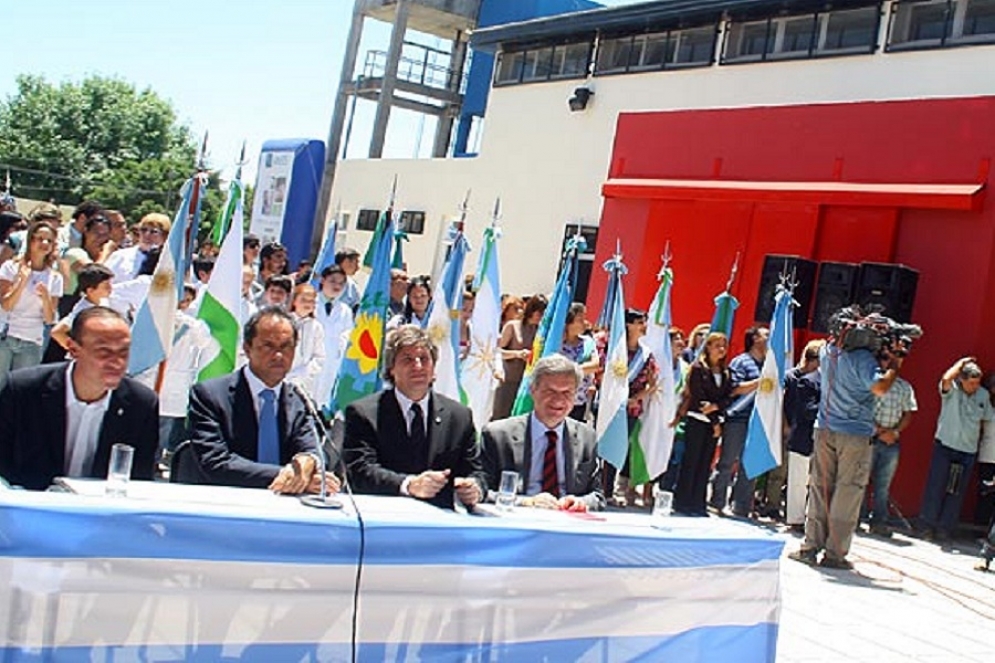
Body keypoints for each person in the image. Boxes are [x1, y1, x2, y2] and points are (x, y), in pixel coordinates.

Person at [0, 307, 158, 490]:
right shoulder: (23, 391)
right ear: (73, 349)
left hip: (99, 513)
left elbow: (140, 480)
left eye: (123, 352)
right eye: (104, 351)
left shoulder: (141, 405)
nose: (117, 362)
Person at [185, 307, 335, 494]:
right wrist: (289, 476)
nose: (279, 355)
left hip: (285, 509)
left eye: (286, 346)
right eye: (268, 346)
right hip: (226, 503)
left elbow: (313, 448)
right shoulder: (209, 395)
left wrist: (309, 461)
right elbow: (215, 462)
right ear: (247, 349)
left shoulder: (298, 399)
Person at [790, 335, 903, 570]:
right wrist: (895, 364)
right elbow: (880, 387)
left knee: (820, 487)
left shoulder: (828, 351)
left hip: (824, 428)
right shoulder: (862, 358)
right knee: (848, 491)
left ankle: (810, 546)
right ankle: (835, 554)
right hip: (855, 433)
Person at [343, 325, 486, 510]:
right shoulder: (364, 413)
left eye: (424, 359)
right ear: (391, 369)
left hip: (441, 521)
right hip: (384, 516)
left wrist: (475, 488)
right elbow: (360, 471)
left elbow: (476, 471)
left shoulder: (459, 416)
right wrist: (409, 485)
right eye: (407, 359)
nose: (417, 366)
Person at [481, 354, 604, 511]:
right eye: (550, 391)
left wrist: (581, 502)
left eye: (567, 393)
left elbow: (598, 496)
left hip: (567, 522)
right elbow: (481, 491)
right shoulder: (498, 435)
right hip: (517, 519)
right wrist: (526, 502)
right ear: (533, 391)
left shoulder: (587, 436)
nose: (558, 400)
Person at [917, 357, 993, 541]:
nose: (975, 386)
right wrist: (960, 364)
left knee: (955, 491)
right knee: (936, 487)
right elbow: (945, 380)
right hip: (945, 445)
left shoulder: (982, 395)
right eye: (971, 383)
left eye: (977, 382)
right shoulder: (952, 391)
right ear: (962, 380)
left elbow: (986, 419)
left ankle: (945, 528)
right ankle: (926, 526)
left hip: (967, 450)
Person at [671, 332, 742, 516]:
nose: (721, 349)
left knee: (705, 463)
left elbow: (728, 396)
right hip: (698, 420)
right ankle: (682, 501)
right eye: (717, 345)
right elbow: (699, 397)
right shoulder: (698, 368)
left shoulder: (726, 372)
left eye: (723, 346)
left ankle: (698, 503)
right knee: (691, 460)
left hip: (714, 422)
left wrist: (717, 411)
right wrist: (715, 422)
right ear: (708, 347)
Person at [710, 326, 766, 517]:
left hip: (758, 421)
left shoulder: (769, 365)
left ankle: (741, 506)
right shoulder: (741, 362)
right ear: (755, 338)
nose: (769, 338)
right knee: (727, 462)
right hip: (738, 419)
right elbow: (734, 389)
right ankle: (717, 501)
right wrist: (761, 382)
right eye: (765, 334)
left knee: (749, 464)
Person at [0, 220, 63, 389]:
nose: (44, 243)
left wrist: (46, 298)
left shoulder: (55, 278)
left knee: (21, 391)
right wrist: (21, 282)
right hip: (6, 337)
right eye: (40, 238)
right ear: (30, 240)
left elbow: (50, 319)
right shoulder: (11, 267)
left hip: (31, 341)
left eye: (49, 241)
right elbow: (5, 305)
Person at [864, 348, 918, 538]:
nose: (887, 363)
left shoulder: (905, 387)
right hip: (870, 437)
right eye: (885, 358)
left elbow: (908, 414)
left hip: (891, 441)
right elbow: (863, 407)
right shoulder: (872, 383)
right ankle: (855, 518)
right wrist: (878, 430)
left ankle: (879, 521)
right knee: (860, 480)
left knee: (883, 485)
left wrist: (894, 432)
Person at [781, 340, 824, 530]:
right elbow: (806, 409)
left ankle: (812, 518)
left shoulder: (832, 382)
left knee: (815, 482)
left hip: (823, 438)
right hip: (803, 435)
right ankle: (795, 519)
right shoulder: (808, 381)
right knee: (798, 480)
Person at [493, 294, 547, 420]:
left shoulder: (540, 331)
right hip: (508, 380)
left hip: (527, 383)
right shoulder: (512, 326)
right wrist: (517, 354)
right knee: (501, 415)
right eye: (539, 313)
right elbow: (497, 351)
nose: (540, 317)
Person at [314, 264, 354, 408]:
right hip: (310, 363)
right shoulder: (311, 303)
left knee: (323, 403)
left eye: (341, 283)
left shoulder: (345, 311)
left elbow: (346, 337)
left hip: (332, 364)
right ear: (322, 280)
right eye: (333, 281)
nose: (337, 286)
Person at [50, 264, 115, 349]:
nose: (110, 288)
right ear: (90, 290)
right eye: (106, 285)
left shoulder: (103, 301)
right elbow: (57, 332)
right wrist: (79, 351)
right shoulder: (84, 310)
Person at [558, 302, 599, 422]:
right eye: (580, 320)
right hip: (558, 399)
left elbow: (595, 365)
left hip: (579, 401)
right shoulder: (556, 344)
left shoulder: (588, 342)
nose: (584, 323)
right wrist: (581, 369)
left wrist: (568, 370)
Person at [105, 213, 169, 282]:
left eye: (154, 232)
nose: (147, 235)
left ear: (165, 236)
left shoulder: (168, 260)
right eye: (143, 230)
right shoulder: (120, 256)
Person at [288, 283, 326, 401]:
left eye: (311, 301)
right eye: (304, 300)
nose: (307, 304)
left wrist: (302, 374)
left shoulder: (316, 327)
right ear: (294, 301)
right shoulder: (284, 322)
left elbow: (319, 357)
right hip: (282, 377)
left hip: (305, 381)